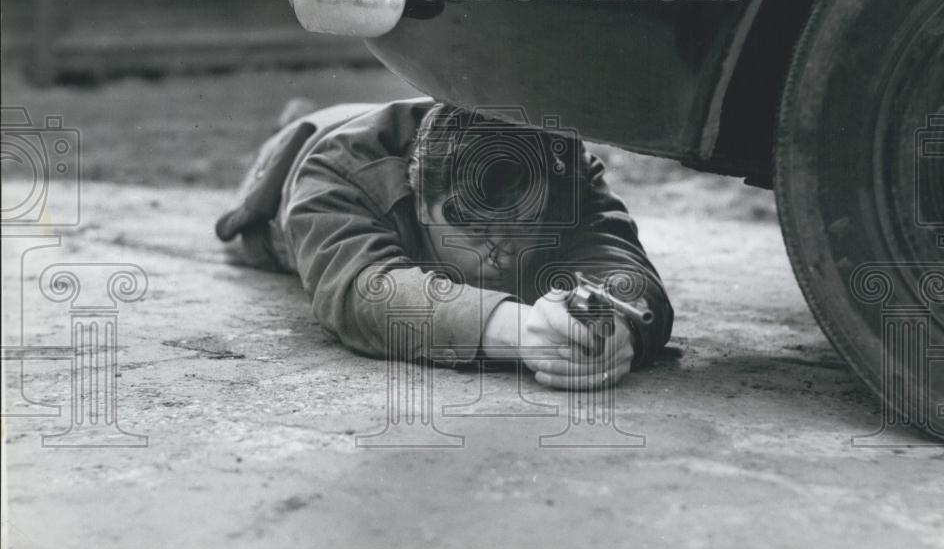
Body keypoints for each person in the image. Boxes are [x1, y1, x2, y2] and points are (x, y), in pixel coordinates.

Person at [216, 97, 672, 388]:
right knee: (262, 232)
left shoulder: (562, 172)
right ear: (417, 197)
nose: (501, 256)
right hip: (305, 149)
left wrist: (615, 326)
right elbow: (360, 290)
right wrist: (520, 330)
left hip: (428, 116)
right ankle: (293, 116)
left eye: (519, 230)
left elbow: (621, 263)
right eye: (474, 232)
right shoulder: (337, 173)